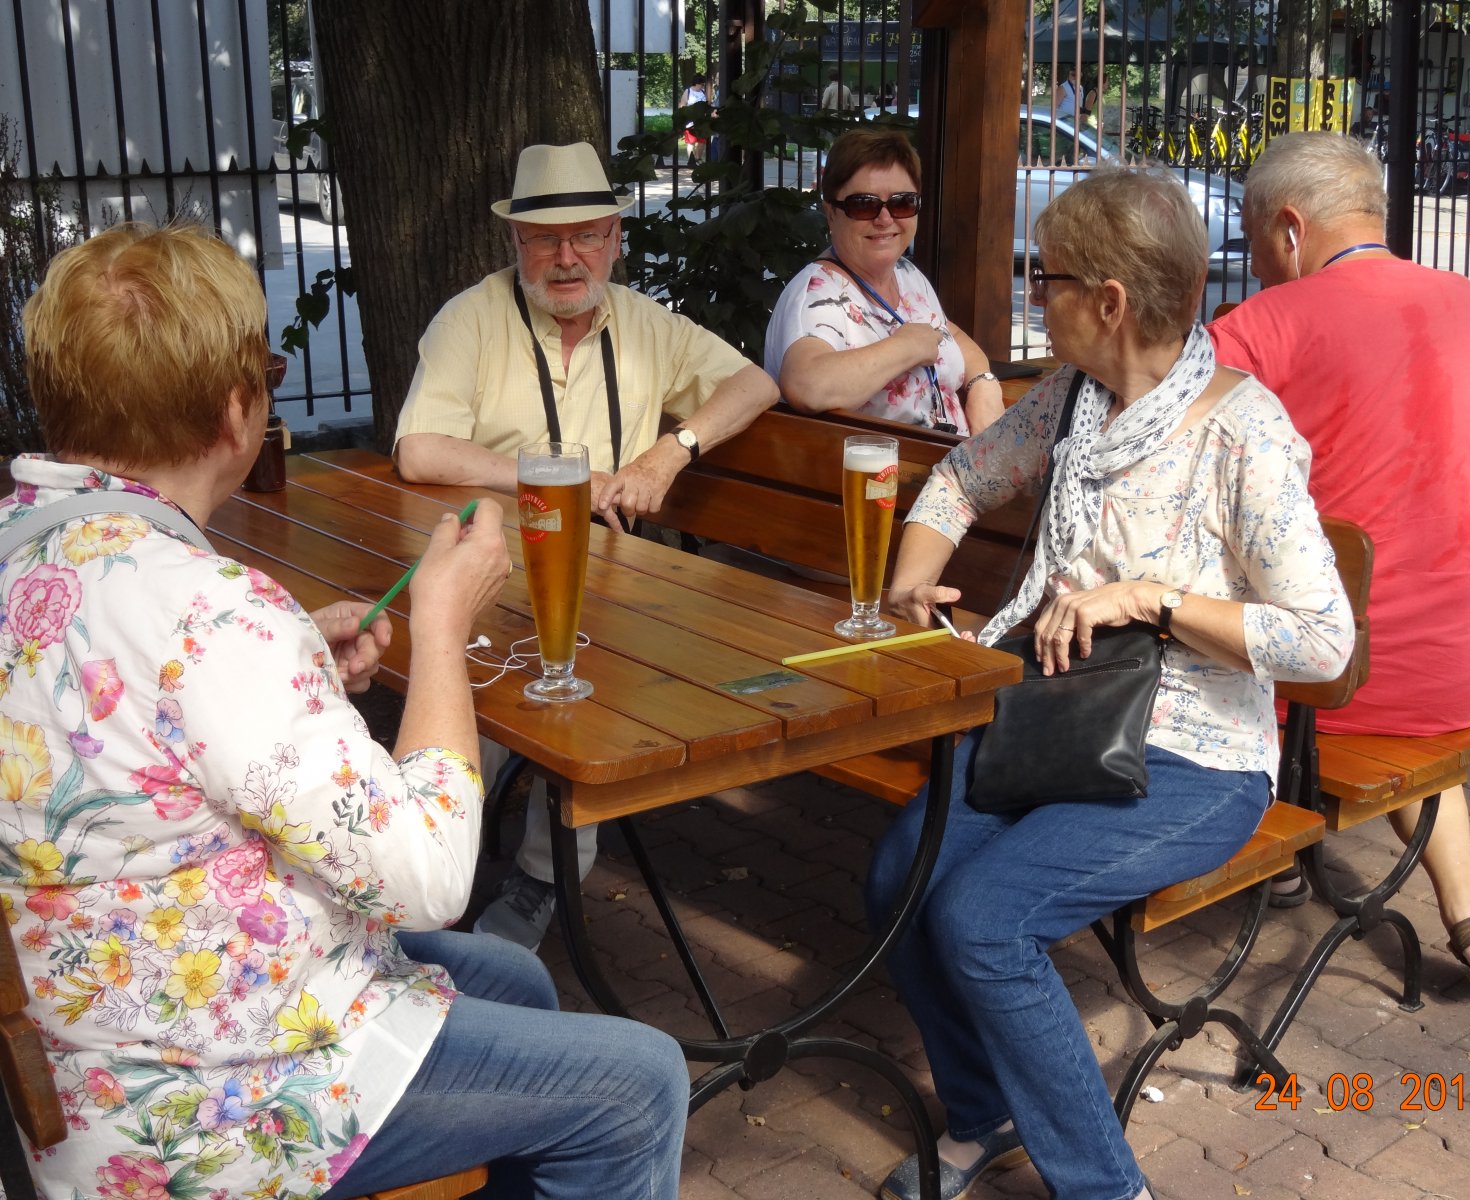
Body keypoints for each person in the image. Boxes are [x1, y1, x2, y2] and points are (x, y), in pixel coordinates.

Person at [0, 222, 689, 1200]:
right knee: (640, 1084)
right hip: (191, 1105)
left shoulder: (25, 543)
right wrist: (440, 630)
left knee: (514, 979)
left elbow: (130, 717)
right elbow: (430, 876)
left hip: (97, 1019)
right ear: (236, 412)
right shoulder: (209, 613)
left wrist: (295, 665)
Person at [865, 168, 1354, 1200]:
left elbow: (1321, 642)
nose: (1033, 296)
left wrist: (1150, 598)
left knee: (984, 918)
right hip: (1049, 720)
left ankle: (1105, 1187)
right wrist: (911, 581)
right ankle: (983, 1114)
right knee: (899, 883)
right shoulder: (1074, 400)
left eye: (1046, 279)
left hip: (1196, 759)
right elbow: (959, 479)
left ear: (1110, 301)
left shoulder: (1243, 431)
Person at [393, 143, 778, 952]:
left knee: (587, 671)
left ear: (615, 239)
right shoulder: (471, 319)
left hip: (613, 580)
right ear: (516, 244)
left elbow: (757, 383)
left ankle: (539, 876)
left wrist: (671, 451)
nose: (567, 257)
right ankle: (425, 867)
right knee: (473, 681)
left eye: (587, 236)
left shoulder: (646, 325)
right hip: (497, 566)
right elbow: (419, 450)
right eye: (545, 239)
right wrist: (554, 479)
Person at [1209, 131, 1470, 991]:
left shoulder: (1263, 325)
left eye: (1256, 243)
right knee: (1402, 716)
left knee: (1198, 611)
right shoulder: (1467, 303)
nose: (1256, 265)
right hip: (1455, 666)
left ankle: (1269, 852)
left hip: (1313, 682)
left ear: (1290, 227)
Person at [764, 129, 1005, 436]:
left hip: (953, 457)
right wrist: (905, 347)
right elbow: (806, 384)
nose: (885, 219)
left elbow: (948, 333)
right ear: (831, 213)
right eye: (863, 205)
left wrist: (983, 384)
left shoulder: (906, 274)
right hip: (886, 466)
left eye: (902, 203)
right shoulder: (817, 295)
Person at [680, 74, 708, 167]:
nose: (703, 86)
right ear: (696, 83)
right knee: (691, 142)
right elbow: (682, 105)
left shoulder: (703, 92)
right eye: (702, 84)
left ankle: (698, 158)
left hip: (702, 122)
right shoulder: (688, 91)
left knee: (702, 141)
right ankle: (691, 160)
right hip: (691, 122)